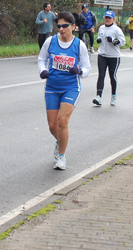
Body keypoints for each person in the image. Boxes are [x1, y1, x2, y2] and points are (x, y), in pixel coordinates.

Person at [37, 12, 91, 170]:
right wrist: (42, 70)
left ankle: (61, 157)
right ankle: (60, 140)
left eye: (65, 26)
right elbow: (41, 59)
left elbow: (87, 68)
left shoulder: (79, 45)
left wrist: (79, 71)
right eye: (59, 26)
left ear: (73, 27)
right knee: (52, 126)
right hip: (52, 87)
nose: (61, 29)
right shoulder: (50, 41)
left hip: (71, 87)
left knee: (62, 121)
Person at [92, 10, 125, 107]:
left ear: (113, 19)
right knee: (101, 75)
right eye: (106, 18)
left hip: (113, 56)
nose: (107, 19)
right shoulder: (101, 28)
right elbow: (100, 37)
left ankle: (113, 96)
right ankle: (98, 97)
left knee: (112, 76)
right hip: (102, 54)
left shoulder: (116, 29)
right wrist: (98, 40)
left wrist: (115, 41)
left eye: (109, 18)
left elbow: (123, 41)